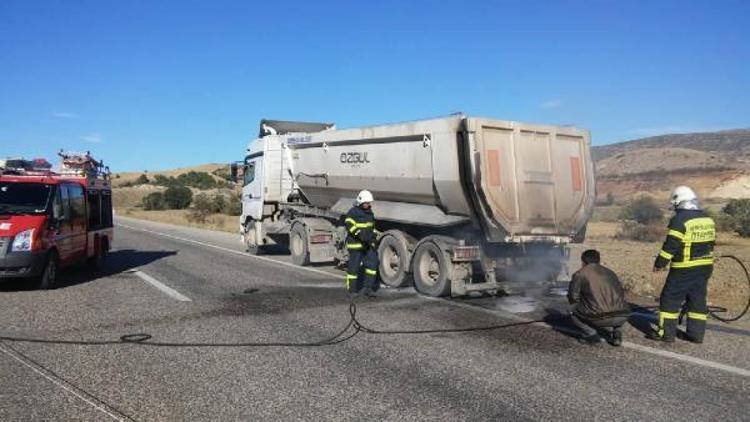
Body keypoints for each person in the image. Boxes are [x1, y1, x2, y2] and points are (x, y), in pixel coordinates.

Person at [648, 186, 715, 344]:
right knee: (697, 299)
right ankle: (696, 335)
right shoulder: (707, 218)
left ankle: (665, 333)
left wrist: (660, 263)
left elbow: (671, 246)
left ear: (680, 202)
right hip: (705, 267)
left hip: (684, 267)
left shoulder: (680, 220)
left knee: (669, 298)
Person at [568, 249, 631, 346]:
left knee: (571, 309)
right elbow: (621, 294)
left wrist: (583, 302)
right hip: (623, 315)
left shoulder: (580, 274)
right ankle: (617, 332)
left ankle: (591, 334)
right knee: (618, 305)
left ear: (583, 261)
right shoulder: (610, 272)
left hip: (599, 317)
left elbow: (573, 297)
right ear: (598, 260)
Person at [343, 190, 380, 297]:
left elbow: (372, 227)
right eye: (366, 203)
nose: (368, 204)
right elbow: (349, 224)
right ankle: (352, 290)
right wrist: (359, 234)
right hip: (356, 245)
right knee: (353, 268)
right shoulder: (353, 212)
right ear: (360, 201)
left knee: (372, 265)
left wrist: (373, 237)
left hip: (367, 245)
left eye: (369, 203)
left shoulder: (369, 213)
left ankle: (367, 288)